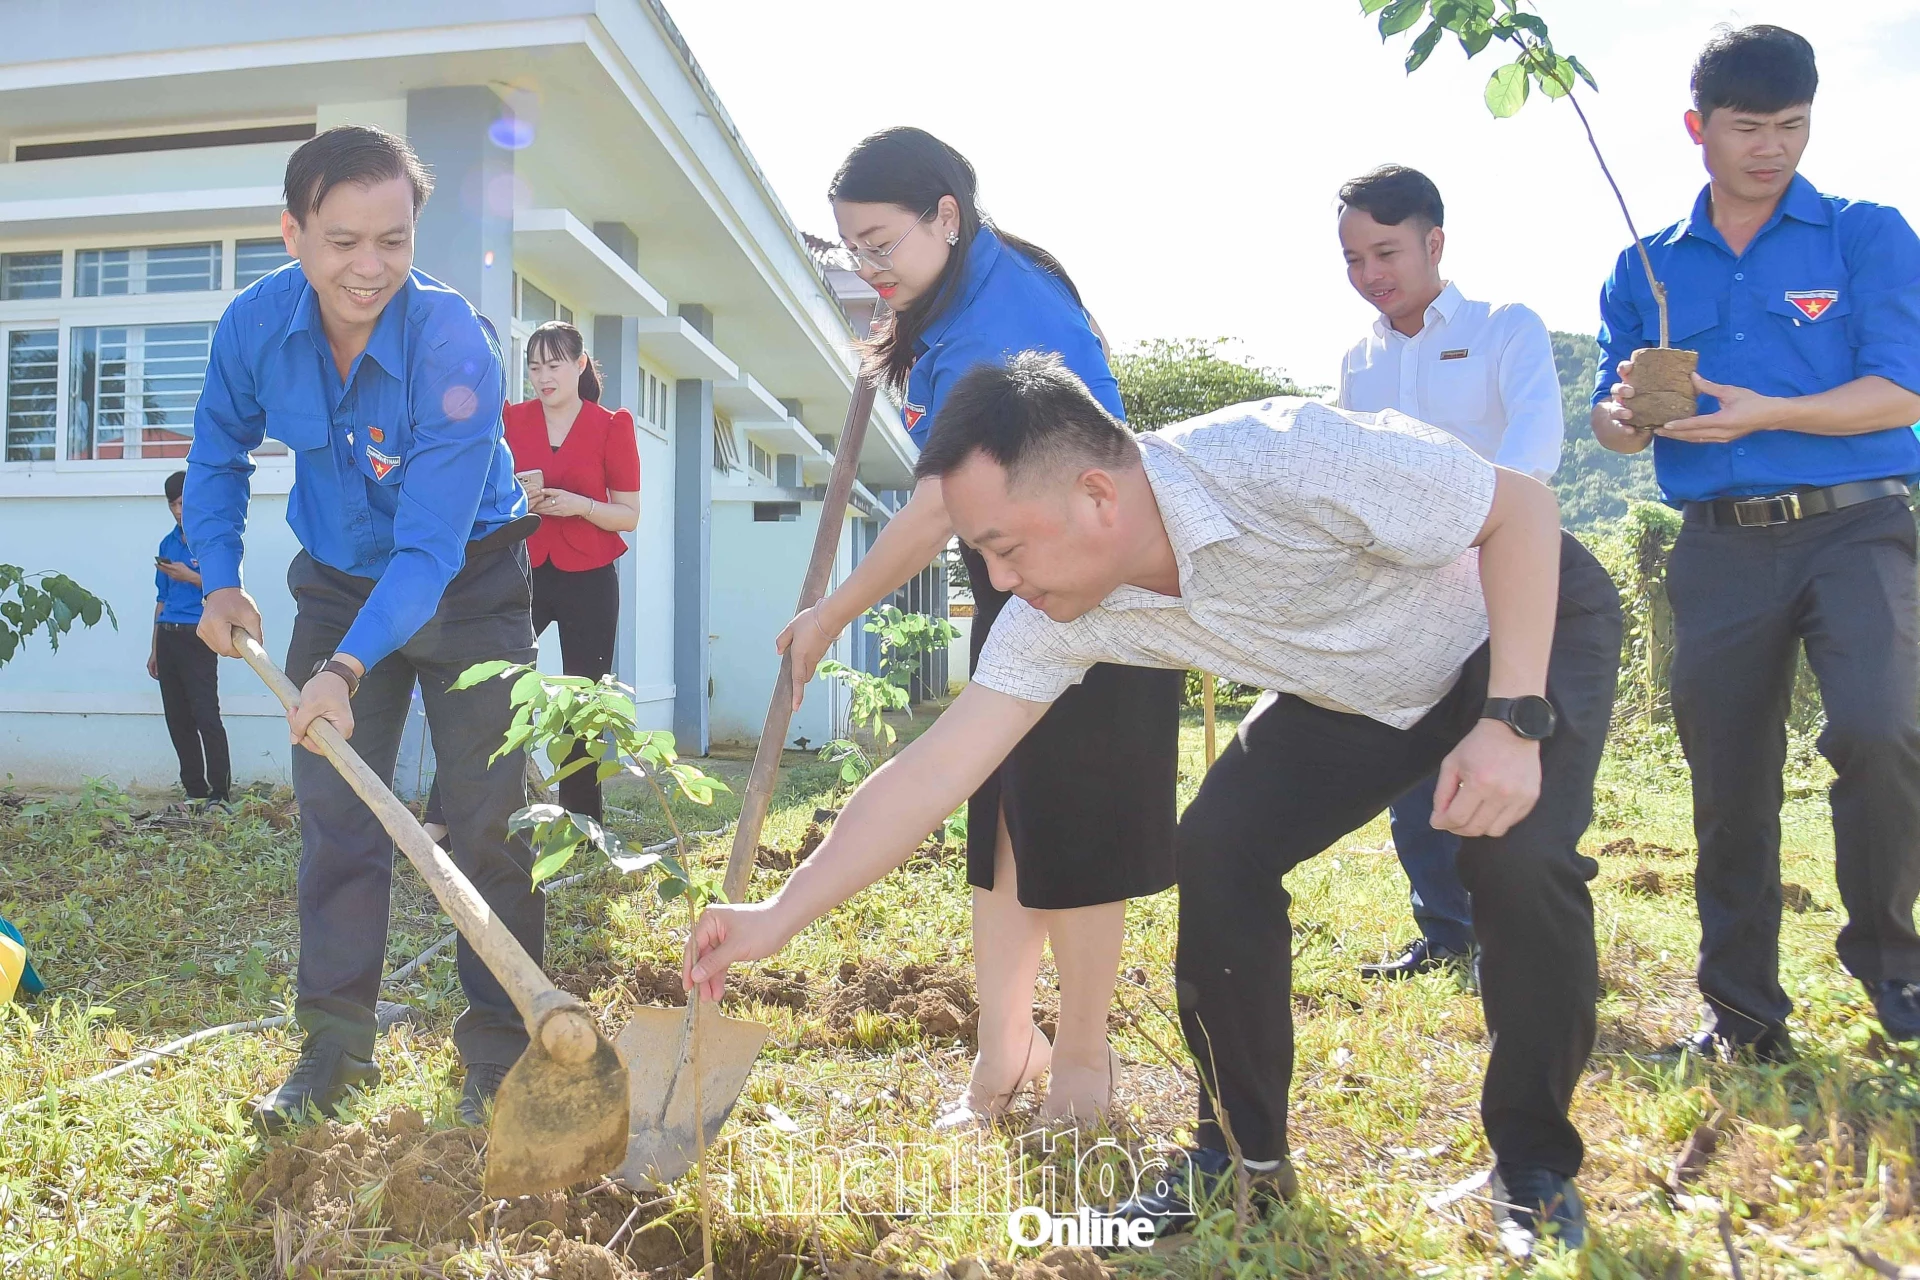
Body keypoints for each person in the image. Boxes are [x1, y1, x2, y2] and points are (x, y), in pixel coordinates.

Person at [687, 354, 1622, 1257]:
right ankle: (1237, 1161)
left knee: (1520, 858)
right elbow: (938, 768)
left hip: (1508, 640)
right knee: (1218, 849)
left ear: (1097, 496)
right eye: (983, 555)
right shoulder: (1063, 610)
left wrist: (1511, 719)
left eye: (1006, 548)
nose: (1000, 582)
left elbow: (1523, 512)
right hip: (1351, 694)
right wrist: (778, 914)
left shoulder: (1284, 453)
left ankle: (1534, 1169)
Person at [773, 127, 1182, 1128]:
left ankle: (1082, 1065)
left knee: (1074, 834)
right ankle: (1003, 1052)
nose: (869, 270)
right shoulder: (948, 300)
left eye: (881, 245)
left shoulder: (1011, 317)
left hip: (1100, 587)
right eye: (852, 251)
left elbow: (932, 512)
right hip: (1020, 576)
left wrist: (829, 613)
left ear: (946, 217)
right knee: (1002, 824)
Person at [187, 125, 541, 1132]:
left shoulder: (453, 342)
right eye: (344, 241)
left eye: (394, 239)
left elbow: (428, 551)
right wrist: (220, 581)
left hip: (468, 582)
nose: (371, 267)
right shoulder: (255, 326)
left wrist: (340, 669)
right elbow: (217, 454)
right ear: (292, 232)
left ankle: (506, 1054)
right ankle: (334, 1051)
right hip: (339, 580)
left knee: (484, 822)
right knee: (341, 819)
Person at [1592, 25, 1920, 1061]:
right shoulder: (1645, 264)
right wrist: (1622, 416)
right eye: (1748, 127)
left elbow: (1902, 387)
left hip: (1856, 521)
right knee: (1727, 775)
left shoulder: (1865, 234)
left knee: (1880, 729)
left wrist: (1763, 414)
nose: (1771, 148)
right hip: (1721, 543)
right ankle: (1741, 1010)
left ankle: (1893, 964)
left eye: (1792, 125)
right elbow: (1611, 411)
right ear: (1699, 128)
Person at [1335, 164, 1565, 980]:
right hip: (1407, 589)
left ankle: (1516, 932)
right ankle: (1443, 932)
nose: (1371, 277)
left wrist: (1480, 529)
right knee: (1415, 763)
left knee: (1501, 743)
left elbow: (1534, 448)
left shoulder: (1507, 328)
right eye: (1354, 261)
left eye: (1386, 253)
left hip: (1507, 576)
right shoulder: (1358, 361)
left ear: (1435, 241)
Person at [423, 321, 639, 835]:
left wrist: (578, 505)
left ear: (580, 365)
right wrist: (522, 499)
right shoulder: (508, 420)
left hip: (590, 578)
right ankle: (444, 818)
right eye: (535, 367)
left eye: (555, 365)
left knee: (584, 703)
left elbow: (627, 514)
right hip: (521, 572)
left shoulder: (613, 425)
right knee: (489, 689)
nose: (543, 377)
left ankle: (581, 827)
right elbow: (481, 489)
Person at [150, 470, 231, 807]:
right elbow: (161, 599)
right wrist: (154, 649)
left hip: (199, 636)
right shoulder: (167, 543)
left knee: (206, 715)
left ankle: (221, 792)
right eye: (173, 504)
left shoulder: (211, 540)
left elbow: (224, 588)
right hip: (168, 636)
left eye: (183, 502)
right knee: (177, 717)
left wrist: (190, 576)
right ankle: (194, 791)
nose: (179, 510)